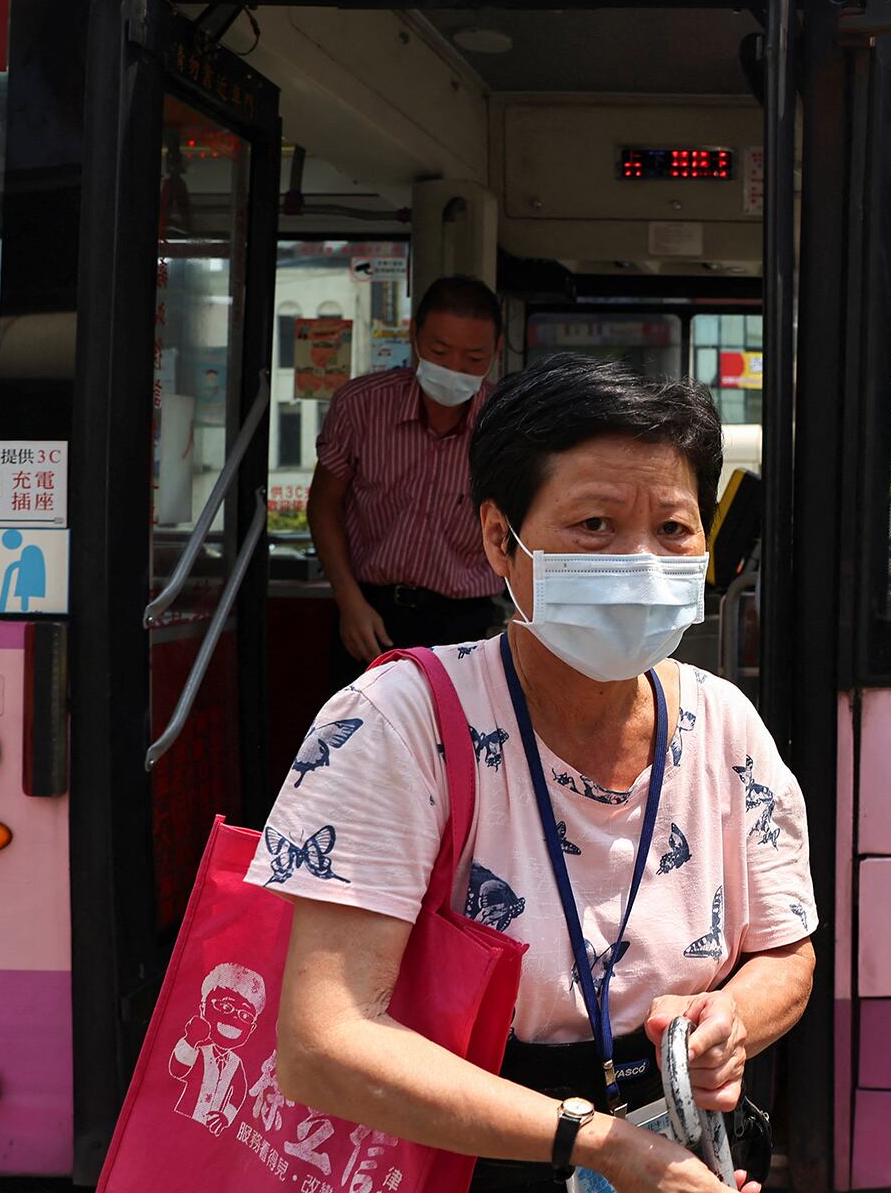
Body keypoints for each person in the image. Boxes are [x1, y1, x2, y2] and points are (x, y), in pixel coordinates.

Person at [259, 354, 817, 1192]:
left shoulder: (724, 722)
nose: (638, 562)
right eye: (593, 525)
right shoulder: (399, 721)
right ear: (499, 539)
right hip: (467, 1151)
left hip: (682, 1152)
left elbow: (787, 951)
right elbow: (322, 1044)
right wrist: (601, 1146)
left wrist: (725, 1022)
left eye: (672, 530)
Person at [308, 275, 508, 692]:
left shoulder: (506, 421)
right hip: (371, 613)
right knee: (360, 746)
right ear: (414, 337)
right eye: (439, 352)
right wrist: (349, 602)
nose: (454, 368)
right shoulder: (361, 405)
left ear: (496, 351)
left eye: (474, 358)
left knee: (456, 750)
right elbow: (324, 503)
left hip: (467, 621)